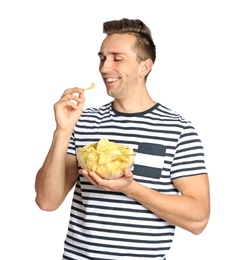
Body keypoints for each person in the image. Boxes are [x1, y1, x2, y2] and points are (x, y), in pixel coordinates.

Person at [35, 18, 210, 260]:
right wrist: (62, 131)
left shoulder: (178, 130)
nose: (105, 68)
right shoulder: (83, 122)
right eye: (102, 58)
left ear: (144, 67)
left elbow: (199, 219)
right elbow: (46, 201)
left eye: (117, 58)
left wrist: (132, 188)